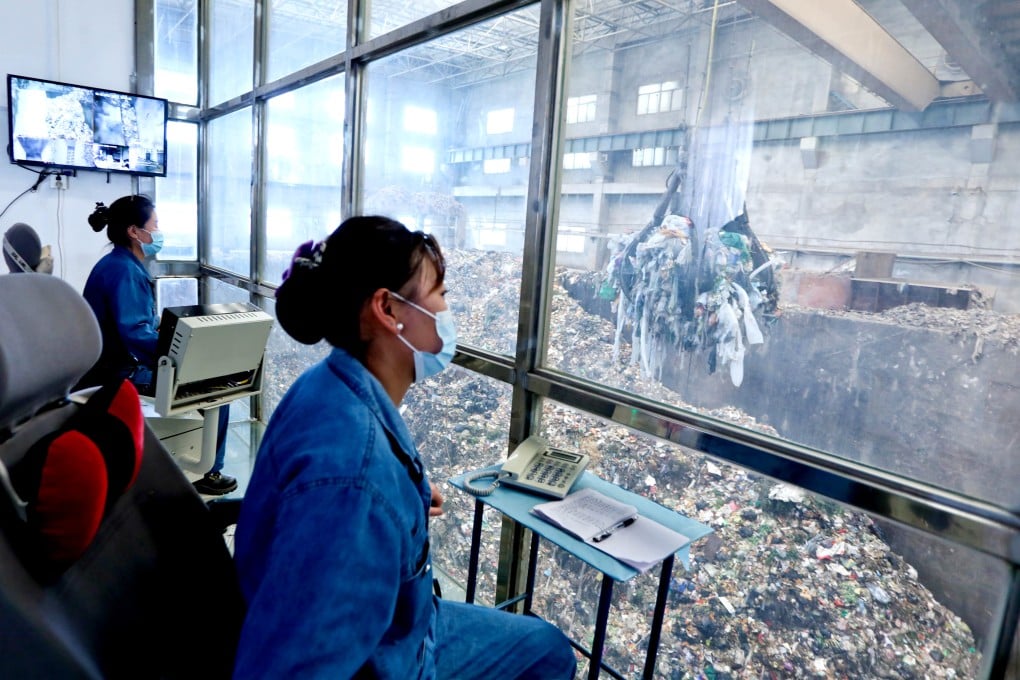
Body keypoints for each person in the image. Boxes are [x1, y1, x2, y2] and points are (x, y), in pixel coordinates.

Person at [232, 216, 576, 679]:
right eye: (441, 296)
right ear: (388, 310)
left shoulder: (331, 386)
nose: (448, 310)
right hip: (389, 656)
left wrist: (402, 500)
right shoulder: (354, 481)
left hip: (402, 624)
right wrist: (376, 499)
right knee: (548, 658)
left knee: (547, 648)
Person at [80, 195, 237, 496]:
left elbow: (137, 321)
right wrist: (185, 357)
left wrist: (166, 330)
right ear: (134, 232)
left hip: (111, 362)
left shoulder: (120, 263)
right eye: (155, 225)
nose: (159, 232)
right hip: (119, 372)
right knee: (219, 385)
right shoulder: (124, 271)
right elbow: (135, 334)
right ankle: (209, 471)